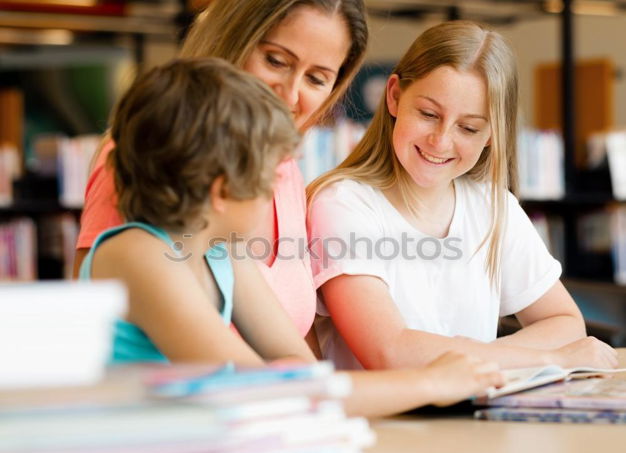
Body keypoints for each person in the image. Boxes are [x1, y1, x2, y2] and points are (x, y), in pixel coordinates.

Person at [80, 57, 504, 418]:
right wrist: (429, 383)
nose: (275, 194)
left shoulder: (221, 253)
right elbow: (262, 387)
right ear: (222, 189)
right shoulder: (137, 254)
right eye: (269, 178)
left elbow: (301, 372)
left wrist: (435, 381)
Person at [307, 20, 619, 371]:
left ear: (490, 134)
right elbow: (389, 352)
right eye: (428, 114)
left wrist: (485, 358)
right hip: (385, 421)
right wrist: (545, 358)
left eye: (468, 127)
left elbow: (564, 321)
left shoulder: (492, 206)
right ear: (394, 96)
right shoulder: (341, 204)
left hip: (474, 419)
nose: (440, 141)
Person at [73, 0, 368, 342]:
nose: (288, 94)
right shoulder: (148, 154)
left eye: (316, 79)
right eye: (275, 60)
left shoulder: (286, 172)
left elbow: (296, 350)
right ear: (233, 40)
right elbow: (94, 327)